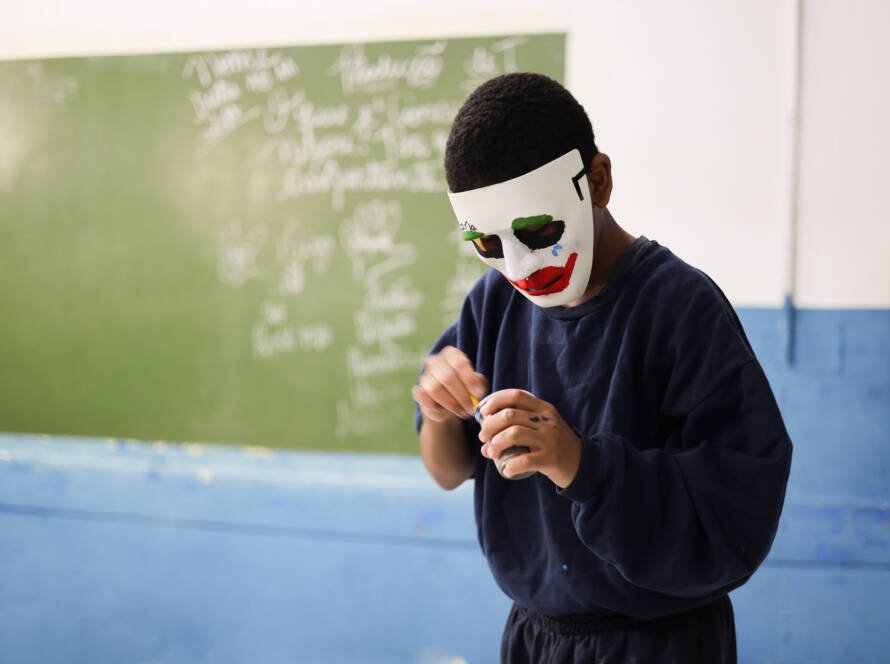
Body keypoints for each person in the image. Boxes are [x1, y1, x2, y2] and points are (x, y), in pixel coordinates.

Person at [411, 72, 793, 663]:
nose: (517, 265)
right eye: (487, 244)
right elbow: (449, 470)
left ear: (598, 182)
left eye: (537, 230)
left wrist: (580, 464)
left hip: (659, 642)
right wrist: (438, 411)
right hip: (535, 637)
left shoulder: (678, 307)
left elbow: (738, 517)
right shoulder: (493, 305)